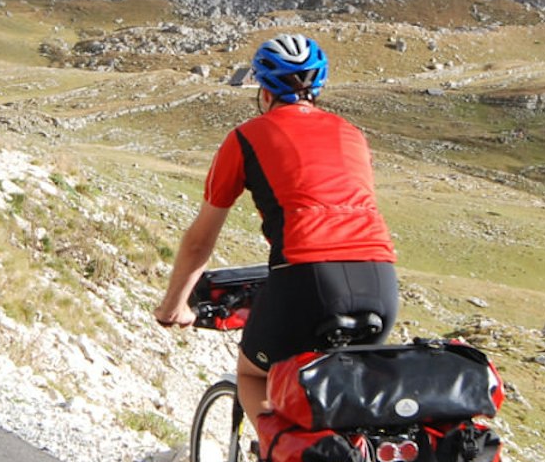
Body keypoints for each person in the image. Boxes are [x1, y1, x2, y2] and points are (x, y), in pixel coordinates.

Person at [153, 33, 398, 422]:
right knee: (345, 403)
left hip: (307, 278)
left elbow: (200, 241)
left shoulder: (246, 137)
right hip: (381, 283)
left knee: (253, 375)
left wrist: (174, 308)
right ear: (317, 88)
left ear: (264, 92)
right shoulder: (352, 134)